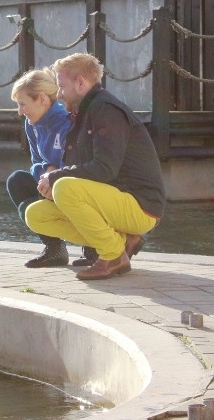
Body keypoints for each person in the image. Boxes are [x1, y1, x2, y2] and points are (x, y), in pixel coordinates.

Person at [25, 53, 165, 280]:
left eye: (62, 86)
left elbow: (104, 169)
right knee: (37, 215)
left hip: (140, 206)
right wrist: (52, 183)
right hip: (113, 201)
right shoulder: (83, 113)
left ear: (80, 83)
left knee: (64, 188)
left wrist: (55, 177)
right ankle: (121, 241)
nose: (58, 95)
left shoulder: (106, 110)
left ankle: (113, 255)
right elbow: (79, 167)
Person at [5, 68, 72, 268]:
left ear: (42, 99)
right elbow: (35, 161)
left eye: (23, 104)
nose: (20, 111)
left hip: (72, 187)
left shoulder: (68, 122)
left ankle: (93, 248)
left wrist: (56, 174)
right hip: (48, 184)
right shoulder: (31, 123)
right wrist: (47, 169)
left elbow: (80, 164)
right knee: (17, 180)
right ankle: (55, 248)